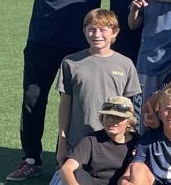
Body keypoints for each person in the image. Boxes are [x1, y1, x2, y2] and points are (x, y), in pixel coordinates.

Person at [0, 0, 105, 182]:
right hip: (42, 42)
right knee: (33, 100)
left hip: (81, 47)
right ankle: (31, 158)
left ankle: (71, 157)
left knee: (79, 104)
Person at [56, 9, 141, 165]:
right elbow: (65, 105)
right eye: (92, 29)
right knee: (70, 177)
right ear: (84, 31)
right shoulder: (71, 62)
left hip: (111, 144)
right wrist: (62, 143)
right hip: (77, 142)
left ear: (114, 32)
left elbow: (130, 108)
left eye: (103, 30)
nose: (97, 35)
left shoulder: (125, 64)